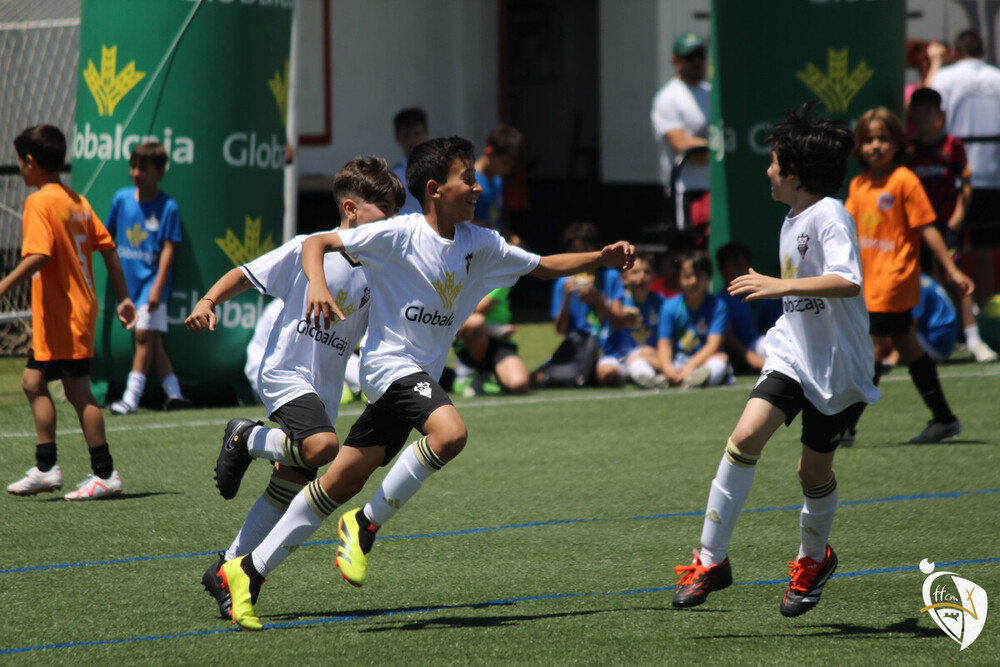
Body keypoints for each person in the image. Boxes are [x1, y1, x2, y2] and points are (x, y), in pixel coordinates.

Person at [215, 136, 635, 630]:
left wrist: (599, 260)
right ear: (435, 189)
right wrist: (319, 284)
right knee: (450, 433)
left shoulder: (481, 244)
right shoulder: (399, 234)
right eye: (468, 178)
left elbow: (542, 267)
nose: (478, 187)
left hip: (417, 379)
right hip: (390, 369)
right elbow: (316, 243)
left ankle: (248, 571)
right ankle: (364, 525)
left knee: (337, 481)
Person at [671, 104, 880, 617]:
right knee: (744, 438)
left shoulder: (830, 214)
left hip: (837, 366)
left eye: (773, 162)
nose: (767, 171)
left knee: (812, 474)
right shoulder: (791, 219)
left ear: (795, 173)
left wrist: (778, 284)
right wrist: (780, 291)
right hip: (792, 353)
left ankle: (814, 559)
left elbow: (848, 279)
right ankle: (711, 560)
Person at [185, 156, 403, 619]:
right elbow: (243, 274)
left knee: (288, 485)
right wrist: (207, 300)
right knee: (323, 447)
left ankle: (227, 567)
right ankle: (245, 436)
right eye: (384, 207)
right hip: (285, 374)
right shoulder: (309, 248)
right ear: (350, 210)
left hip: (321, 392)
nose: (393, 218)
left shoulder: (379, 268)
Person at [3, 125, 136, 500]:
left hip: (65, 313)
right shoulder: (76, 199)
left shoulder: (40, 202)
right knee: (32, 381)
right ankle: (46, 467)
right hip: (65, 312)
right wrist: (123, 297)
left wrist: (2, 287)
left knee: (78, 390)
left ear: (30, 162)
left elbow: (39, 255)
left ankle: (105, 473)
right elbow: (108, 246)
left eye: (20, 161)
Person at [844, 107, 973, 444]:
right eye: (868, 140)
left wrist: (950, 267)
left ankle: (844, 429)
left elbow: (927, 227)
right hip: (868, 285)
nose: (875, 146)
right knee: (907, 346)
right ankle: (944, 419)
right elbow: (845, 231)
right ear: (858, 146)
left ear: (898, 143)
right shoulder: (858, 185)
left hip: (894, 281)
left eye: (883, 139)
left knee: (872, 347)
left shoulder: (904, 180)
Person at [908, 87, 997, 362]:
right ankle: (933, 335)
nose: (923, 118)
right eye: (917, 112)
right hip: (917, 229)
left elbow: (966, 185)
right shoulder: (911, 151)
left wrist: (957, 218)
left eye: (928, 112)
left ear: (939, 115)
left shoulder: (953, 146)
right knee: (923, 280)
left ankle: (973, 338)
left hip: (947, 227)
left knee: (957, 278)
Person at [104, 142, 190, 414]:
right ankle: (175, 394)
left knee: (143, 337)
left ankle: (131, 399)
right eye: (133, 166)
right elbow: (106, 236)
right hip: (127, 285)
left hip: (152, 287)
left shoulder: (168, 207)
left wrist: (158, 287)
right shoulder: (122, 198)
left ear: (160, 172)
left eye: (143, 167)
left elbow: (168, 249)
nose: (136, 172)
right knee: (154, 343)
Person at [931, 29, 1000, 309]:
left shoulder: (945, 77)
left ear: (955, 53)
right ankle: (982, 316)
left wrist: (936, 63)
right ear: (983, 52)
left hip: (954, 180)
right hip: (992, 176)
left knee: (947, 252)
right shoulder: (997, 76)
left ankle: (954, 320)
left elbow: (922, 111)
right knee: (984, 251)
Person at [532, 221, 629, 388]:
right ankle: (581, 375)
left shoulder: (610, 276)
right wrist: (567, 298)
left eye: (585, 250)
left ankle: (586, 375)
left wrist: (597, 301)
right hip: (577, 351)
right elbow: (560, 330)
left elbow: (619, 321)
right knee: (533, 379)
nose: (581, 257)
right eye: (575, 252)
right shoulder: (563, 283)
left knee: (608, 375)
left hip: (605, 351)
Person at [650, 32, 710, 240]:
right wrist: (719, 146)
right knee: (691, 254)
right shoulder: (668, 98)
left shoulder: (711, 93)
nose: (697, 62)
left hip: (714, 188)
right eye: (690, 56)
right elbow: (683, 146)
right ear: (675, 60)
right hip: (686, 192)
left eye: (701, 55)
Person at [657, 249, 731, 388]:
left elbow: (713, 345)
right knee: (643, 357)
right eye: (687, 276)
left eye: (698, 275)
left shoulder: (718, 306)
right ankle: (674, 378)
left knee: (721, 360)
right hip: (678, 362)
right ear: (678, 279)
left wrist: (690, 366)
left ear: (708, 278)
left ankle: (697, 380)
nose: (693, 281)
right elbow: (664, 344)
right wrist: (668, 369)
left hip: (705, 361)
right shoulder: (669, 306)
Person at [602, 254, 667, 388]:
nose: (642, 277)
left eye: (647, 272)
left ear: (655, 277)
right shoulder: (618, 303)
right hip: (618, 358)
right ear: (624, 278)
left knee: (641, 361)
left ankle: (651, 377)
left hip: (650, 356)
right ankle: (653, 377)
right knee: (607, 372)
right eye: (635, 272)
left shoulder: (661, 303)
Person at [452, 286, 529, 396]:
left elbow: (478, 307)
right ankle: (469, 375)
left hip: (499, 343)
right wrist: (497, 331)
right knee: (475, 322)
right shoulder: (461, 273)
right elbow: (477, 309)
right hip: (468, 338)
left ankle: (488, 377)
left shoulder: (501, 275)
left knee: (519, 384)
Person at [716, 241, 767, 373]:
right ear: (722, 270)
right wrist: (750, 358)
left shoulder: (744, 294)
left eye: (745, 265)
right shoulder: (722, 301)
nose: (743, 271)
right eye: (737, 266)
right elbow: (729, 337)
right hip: (744, 353)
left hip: (757, 342)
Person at [472, 123, 524, 245]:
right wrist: (485, 227)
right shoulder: (471, 182)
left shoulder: (498, 180)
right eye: (504, 163)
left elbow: (496, 222)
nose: (506, 170)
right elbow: (458, 225)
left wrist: (510, 236)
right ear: (489, 152)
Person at [391, 107, 429, 215]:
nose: (413, 140)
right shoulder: (393, 176)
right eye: (406, 135)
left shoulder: (441, 170)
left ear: (426, 134)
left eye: (417, 134)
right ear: (398, 138)